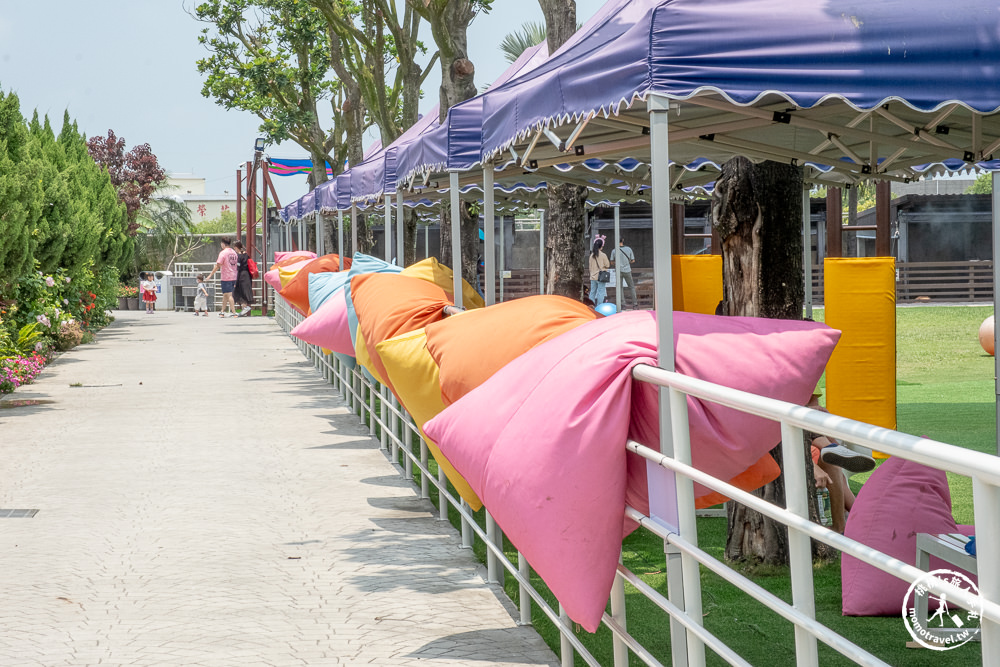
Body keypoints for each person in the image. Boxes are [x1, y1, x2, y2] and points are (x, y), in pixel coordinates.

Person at [206, 237, 238, 318]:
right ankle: (222, 311)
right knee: (225, 295)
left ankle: (234, 312)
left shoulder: (223, 253)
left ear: (223, 243)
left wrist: (210, 275)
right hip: (233, 276)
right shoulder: (234, 252)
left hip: (226, 276)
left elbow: (218, 265)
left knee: (229, 295)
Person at [612, 237, 637, 309]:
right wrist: (627, 262)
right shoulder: (629, 249)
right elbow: (633, 260)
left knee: (620, 288)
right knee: (631, 287)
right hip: (627, 270)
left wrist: (617, 263)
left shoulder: (614, 250)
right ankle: (635, 304)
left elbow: (611, 262)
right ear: (623, 240)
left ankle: (623, 304)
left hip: (619, 271)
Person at [232, 241, 254, 317]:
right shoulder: (246, 255)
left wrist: (235, 280)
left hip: (241, 275)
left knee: (237, 291)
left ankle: (245, 307)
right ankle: (244, 308)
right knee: (244, 291)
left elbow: (238, 268)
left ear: (236, 248)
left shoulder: (239, 256)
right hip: (247, 275)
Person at [587, 237, 610, 306]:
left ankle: (591, 306)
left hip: (593, 277)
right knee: (601, 292)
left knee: (592, 292)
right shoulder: (603, 255)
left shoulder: (591, 255)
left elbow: (590, 266)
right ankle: (599, 306)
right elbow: (607, 265)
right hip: (600, 277)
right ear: (601, 246)